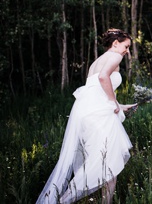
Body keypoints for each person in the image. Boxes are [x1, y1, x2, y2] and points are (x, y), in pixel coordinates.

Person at [37, 29, 137, 204]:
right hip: (98, 116)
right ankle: (64, 200)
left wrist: (120, 106)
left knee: (106, 165)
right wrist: (114, 105)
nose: (127, 51)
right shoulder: (115, 57)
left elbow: (95, 92)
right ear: (115, 43)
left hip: (87, 113)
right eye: (126, 46)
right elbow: (103, 78)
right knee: (103, 164)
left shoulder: (97, 62)